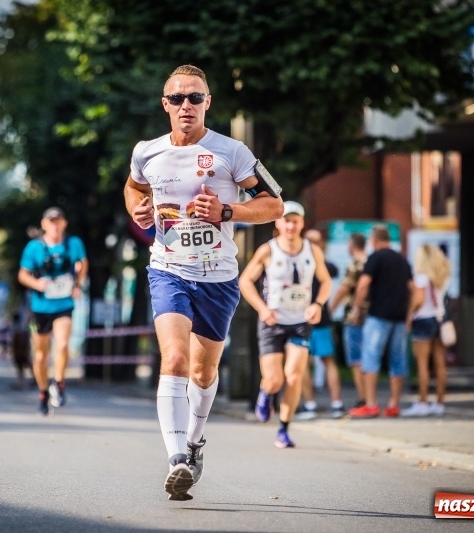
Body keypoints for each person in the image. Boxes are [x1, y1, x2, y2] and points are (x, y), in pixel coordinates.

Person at [124, 64, 283, 500]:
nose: (186, 106)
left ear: (208, 102)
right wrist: (137, 211)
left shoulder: (233, 152)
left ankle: (194, 444)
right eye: (177, 98)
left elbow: (275, 205)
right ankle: (177, 459)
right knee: (173, 357)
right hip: (169, 268)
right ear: (165, 105)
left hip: (219, 277)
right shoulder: (147, 152)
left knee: (202, 370)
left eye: (195, 97)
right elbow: (133, 188)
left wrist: (227, 212)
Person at [240, 201, 332, 447]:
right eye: (286, 220)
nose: (290, 225)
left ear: (302, 224)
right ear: (278, 223)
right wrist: (262, 309)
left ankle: (283, 429)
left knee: (294, 377)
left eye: (295, 221)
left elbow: (325, 281)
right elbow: (245, 281)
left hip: (300, 321)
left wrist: (318, 304)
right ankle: (266, 392)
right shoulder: (268, 250)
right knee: (275, 380)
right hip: (273, 322)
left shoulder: (313, 251)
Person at [18, 206, 88, 416]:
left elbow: (83, 264)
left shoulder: (73, 244)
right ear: (44, 224)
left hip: (64, 303)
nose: (55, 225)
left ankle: (58, 383)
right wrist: (36, 284)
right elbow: (23, 275)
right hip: (40, 306)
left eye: (58, 221)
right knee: (40, 355)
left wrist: (77, 285)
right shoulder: (34, 248)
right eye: (51, 221)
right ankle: (42, 392)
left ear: (64, 223)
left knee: (63, 342)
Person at [348, 225, 415, 418]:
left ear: (375, 240)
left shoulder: (375, 257)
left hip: (378, 317)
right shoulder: (402, 260)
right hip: (399, 319)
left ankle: (371, 404)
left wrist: (356, 308)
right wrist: (409, 314)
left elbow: (363, 284)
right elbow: (416, 291)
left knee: (371, 358)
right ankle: (393, 404)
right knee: (398, 361)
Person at [298, 228, 345, 419]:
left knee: (303, 365)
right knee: (327, 362)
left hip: (302, 319)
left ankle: (310, 406)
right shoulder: (324, 264)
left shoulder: (299, 262)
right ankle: (336, 404)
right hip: (320, 319)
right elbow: (333, 270)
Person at [402, 244, 452, 417]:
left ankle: (422, 403)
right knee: (440, 364)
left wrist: (408, 316)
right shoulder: (442, 276)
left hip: (423, 319)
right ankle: (439, 403)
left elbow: (418, 300)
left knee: (422, 365)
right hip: (440, 319)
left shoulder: (421, 277)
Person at [328, 232, 369, 408]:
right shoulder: (372, 262)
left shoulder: (355, 265)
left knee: (356, 359)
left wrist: (329, 309)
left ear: (352, 245)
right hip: (372, 316)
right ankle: (370, 397)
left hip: (355, 317)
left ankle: (363, 397)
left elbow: (343, 289)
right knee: (368, 359)